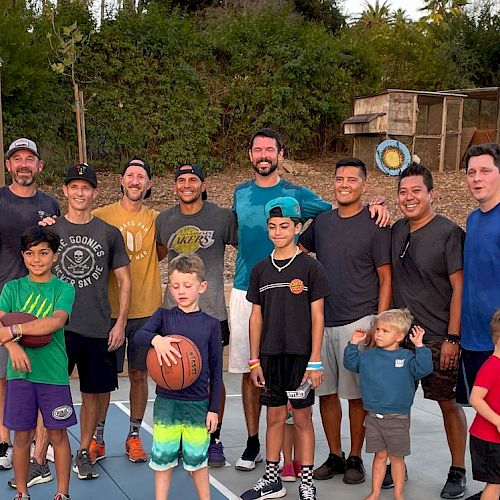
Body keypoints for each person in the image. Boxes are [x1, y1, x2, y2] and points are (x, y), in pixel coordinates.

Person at [298, 157, 392, 484]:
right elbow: (296, 248)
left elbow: (385, 277)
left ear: (364, 186)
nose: (344, 184)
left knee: (356, 396)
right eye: (339, 179)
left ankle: (355, 457)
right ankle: (335, 455)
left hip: (360, 319)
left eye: (352, 180)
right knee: (326, 393)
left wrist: (378, 322)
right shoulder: (322, 222)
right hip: (324, 319)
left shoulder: (375, 223)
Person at [240, 196, 330, 500]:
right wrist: (254, 360)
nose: (278, 232)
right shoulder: (260, 270)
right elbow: (256, 317)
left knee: (302, 419)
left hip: (301, 358)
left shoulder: (310, 268)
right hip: (270, 357)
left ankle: (306, 481)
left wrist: (315, 361)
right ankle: (272, 480)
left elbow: (318, 316)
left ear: (298, 227)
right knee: (274, 418)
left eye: (284, 226)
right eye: (272, 227)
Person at [391, 163, 468, 498]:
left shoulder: (449, 234)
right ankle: (397, 465)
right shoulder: (395, 230)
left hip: (438, 338)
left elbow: (460, 288)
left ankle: (457, 470)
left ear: (431, 194)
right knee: (397, 405)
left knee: (447, 403)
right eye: (403, 192)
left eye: (416, 191)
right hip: (400, 338)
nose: (409, 198)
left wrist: (452, 337)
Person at [51, 164, 131, 480]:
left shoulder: (109, 234)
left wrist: (120, 323)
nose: (80, 192)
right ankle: (42, 456)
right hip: (58, 329)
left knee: (92, 396)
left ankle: (84, 451)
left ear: (95, 193)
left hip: (98, 327)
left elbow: (125, 280)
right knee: (51, 392)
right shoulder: (51, 231)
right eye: (75, 187)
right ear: (65, 191)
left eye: (86, 187)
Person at [156, 163, 237, 467]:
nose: (187, 184)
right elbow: (156, 254)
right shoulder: (164, 220)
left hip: (212, 312)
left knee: (214, 376)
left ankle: (213, 439)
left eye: (193, 180)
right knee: (176, 375)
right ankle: (181, 437)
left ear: (203, 185)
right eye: (181, 180)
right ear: (175, 185)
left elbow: (247, 244)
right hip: (173, 314)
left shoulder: (222, 217)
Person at [135, 254, 223, 500]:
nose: (181, 291)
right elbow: (140, 335)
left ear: (202, 286)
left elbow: (216, 372)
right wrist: (157, 339)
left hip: (197, 404)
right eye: (175, 286)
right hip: (167, 403)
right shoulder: (163, 317)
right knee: (163, 459)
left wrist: (213, 409)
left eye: (187, 285)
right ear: (169, 287)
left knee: (198, 460)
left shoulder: (211, 325)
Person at [91, 158, 162, 464]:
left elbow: (169, 246)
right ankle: (97, 437)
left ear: (148, 185)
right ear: (121, 181)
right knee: (104, 380)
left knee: (139, 375)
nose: (135, 181)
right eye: (130, 176)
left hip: (146, 310)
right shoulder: (100, 215)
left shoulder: (158, 219)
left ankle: (134, 436)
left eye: (141, 177)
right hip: (108, 312)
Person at [0, 226, 76, 500]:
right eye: (30, 253)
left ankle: (62, 493)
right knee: (21, 438)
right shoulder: (12, 288)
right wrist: (11, 346)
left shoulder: (63, 289)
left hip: (53, 373)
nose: (37, 259)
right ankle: (21, 493)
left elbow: (54, 321)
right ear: (23, 256)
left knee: (58, 436)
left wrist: (15, 331)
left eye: (44, 253)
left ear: (54, 256)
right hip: (20, 375)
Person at [0, 138, 60, 477]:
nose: (24, 164)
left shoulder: (50, 204)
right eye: (17, 159)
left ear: (39, 166)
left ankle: (41, 445)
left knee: (38, 374)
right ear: (9, 165)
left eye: (30, 159)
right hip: (5, 298)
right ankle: (4, 441)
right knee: (4, 376)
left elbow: (57, 249)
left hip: (40, 301)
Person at [344, 308, 433, 500]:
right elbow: (351, 364)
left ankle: (398, 494)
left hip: (398, 419)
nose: (379, 334)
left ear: (400, 336)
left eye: (385, 331)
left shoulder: (407, 357)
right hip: (373, 417)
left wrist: (420, 346)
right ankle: (374, 493)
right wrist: (353, 344)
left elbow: (423, 369)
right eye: (378, 330)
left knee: (396, 459)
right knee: (379, 457)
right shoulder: (367, 356)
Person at [458, 143, 500, 408]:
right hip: (472, 339)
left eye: (485, 171)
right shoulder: (473, 219)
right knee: (482, 419)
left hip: (496, 342)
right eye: (472, 172)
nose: (477, 178)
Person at [468, 310, 500, 500]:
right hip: (489, 439)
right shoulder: (492, 366)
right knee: (494, 483)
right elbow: (475, 398)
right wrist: (497, 420)